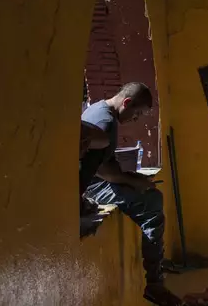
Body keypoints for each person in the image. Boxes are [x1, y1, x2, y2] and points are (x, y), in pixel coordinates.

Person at [79, 82, 182, 306]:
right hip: (95, 187)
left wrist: (134, 178)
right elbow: (102, 170)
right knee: (153, 202)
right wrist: (131, 181)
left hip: (99, 181)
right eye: (136, 115)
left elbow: (105, 162)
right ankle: (155, 283)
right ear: (126, 103)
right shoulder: (105, 122)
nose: (136, 121)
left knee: (147, 189)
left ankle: (157, 274)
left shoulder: (99, 108)